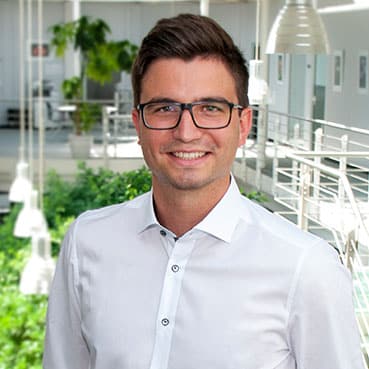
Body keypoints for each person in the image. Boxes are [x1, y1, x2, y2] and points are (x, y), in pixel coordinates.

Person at [43, 13, 364, 369]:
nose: (186, 132)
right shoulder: (86, 243)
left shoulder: (307, 268)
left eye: (210, 108)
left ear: (243, 125)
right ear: (138, 125)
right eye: (164, 108)